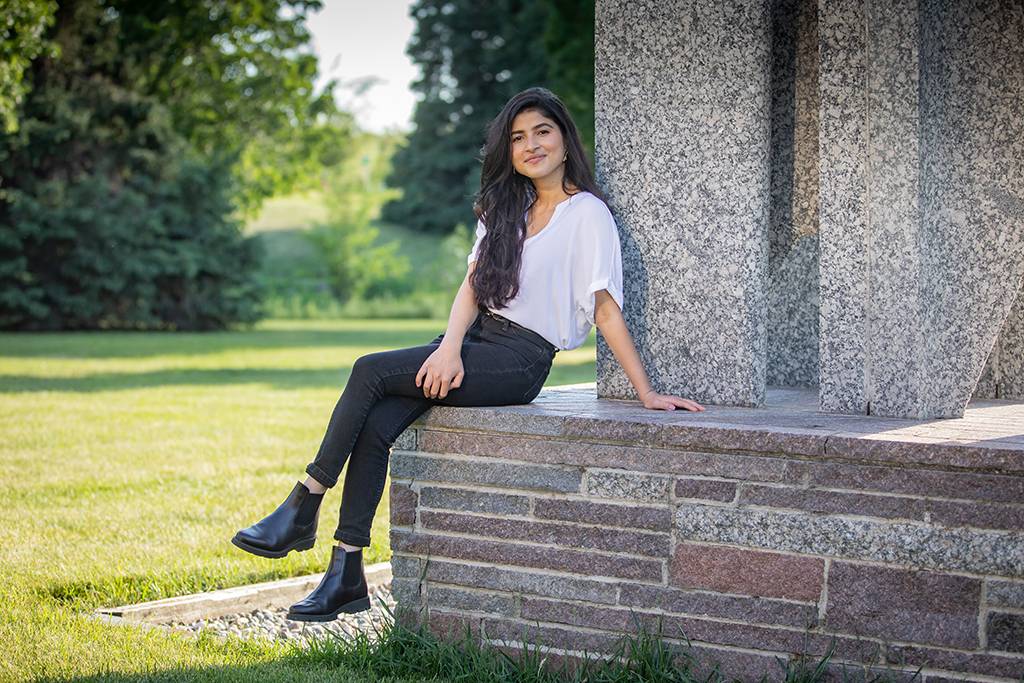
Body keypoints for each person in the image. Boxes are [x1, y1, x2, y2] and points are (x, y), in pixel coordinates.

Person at [231, 86, 705, 623]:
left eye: (542, 132)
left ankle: (303, 504)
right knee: (378, 419)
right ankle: (345, 571)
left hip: (521, 359)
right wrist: (450, 348)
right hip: (476, 340)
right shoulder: (508, 207)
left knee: (369, 369)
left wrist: (645, 392)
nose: (531, 145)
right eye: (518, 137)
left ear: (566, 141)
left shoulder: (587, 214)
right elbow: (472, 286)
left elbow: (604, 309)